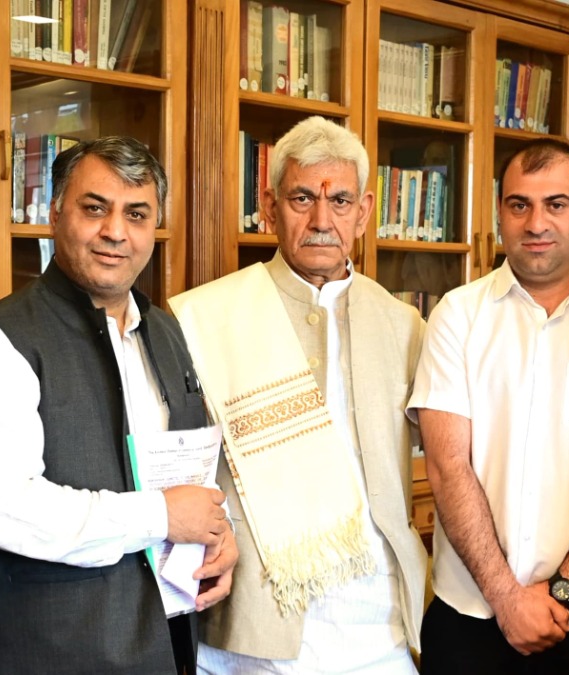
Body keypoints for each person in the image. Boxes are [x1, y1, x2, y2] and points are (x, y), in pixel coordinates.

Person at [0, 136, 239, 673]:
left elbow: (192, 479)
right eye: (94, 208)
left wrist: (218, 537)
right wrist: (161, 516)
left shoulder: (167, 331)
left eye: (136, 214)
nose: (115, 231)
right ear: (55, 213)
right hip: (57, 650)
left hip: (168, 638)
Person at [170, 116, 430, 673]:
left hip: (378, 619)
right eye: (302, 198)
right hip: (260, 617)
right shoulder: (202, 318)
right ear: (270, 206)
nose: (321, 221)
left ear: (364, 211)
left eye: (340, 201)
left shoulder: (405, 325)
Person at [409, 138, 569, 673]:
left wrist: (564, 592)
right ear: (500, 212)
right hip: (470, 615)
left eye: (556, 204)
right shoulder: (457, 315)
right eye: (520, 204)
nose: (536, 223)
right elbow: (447, 467)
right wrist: (506, 598)